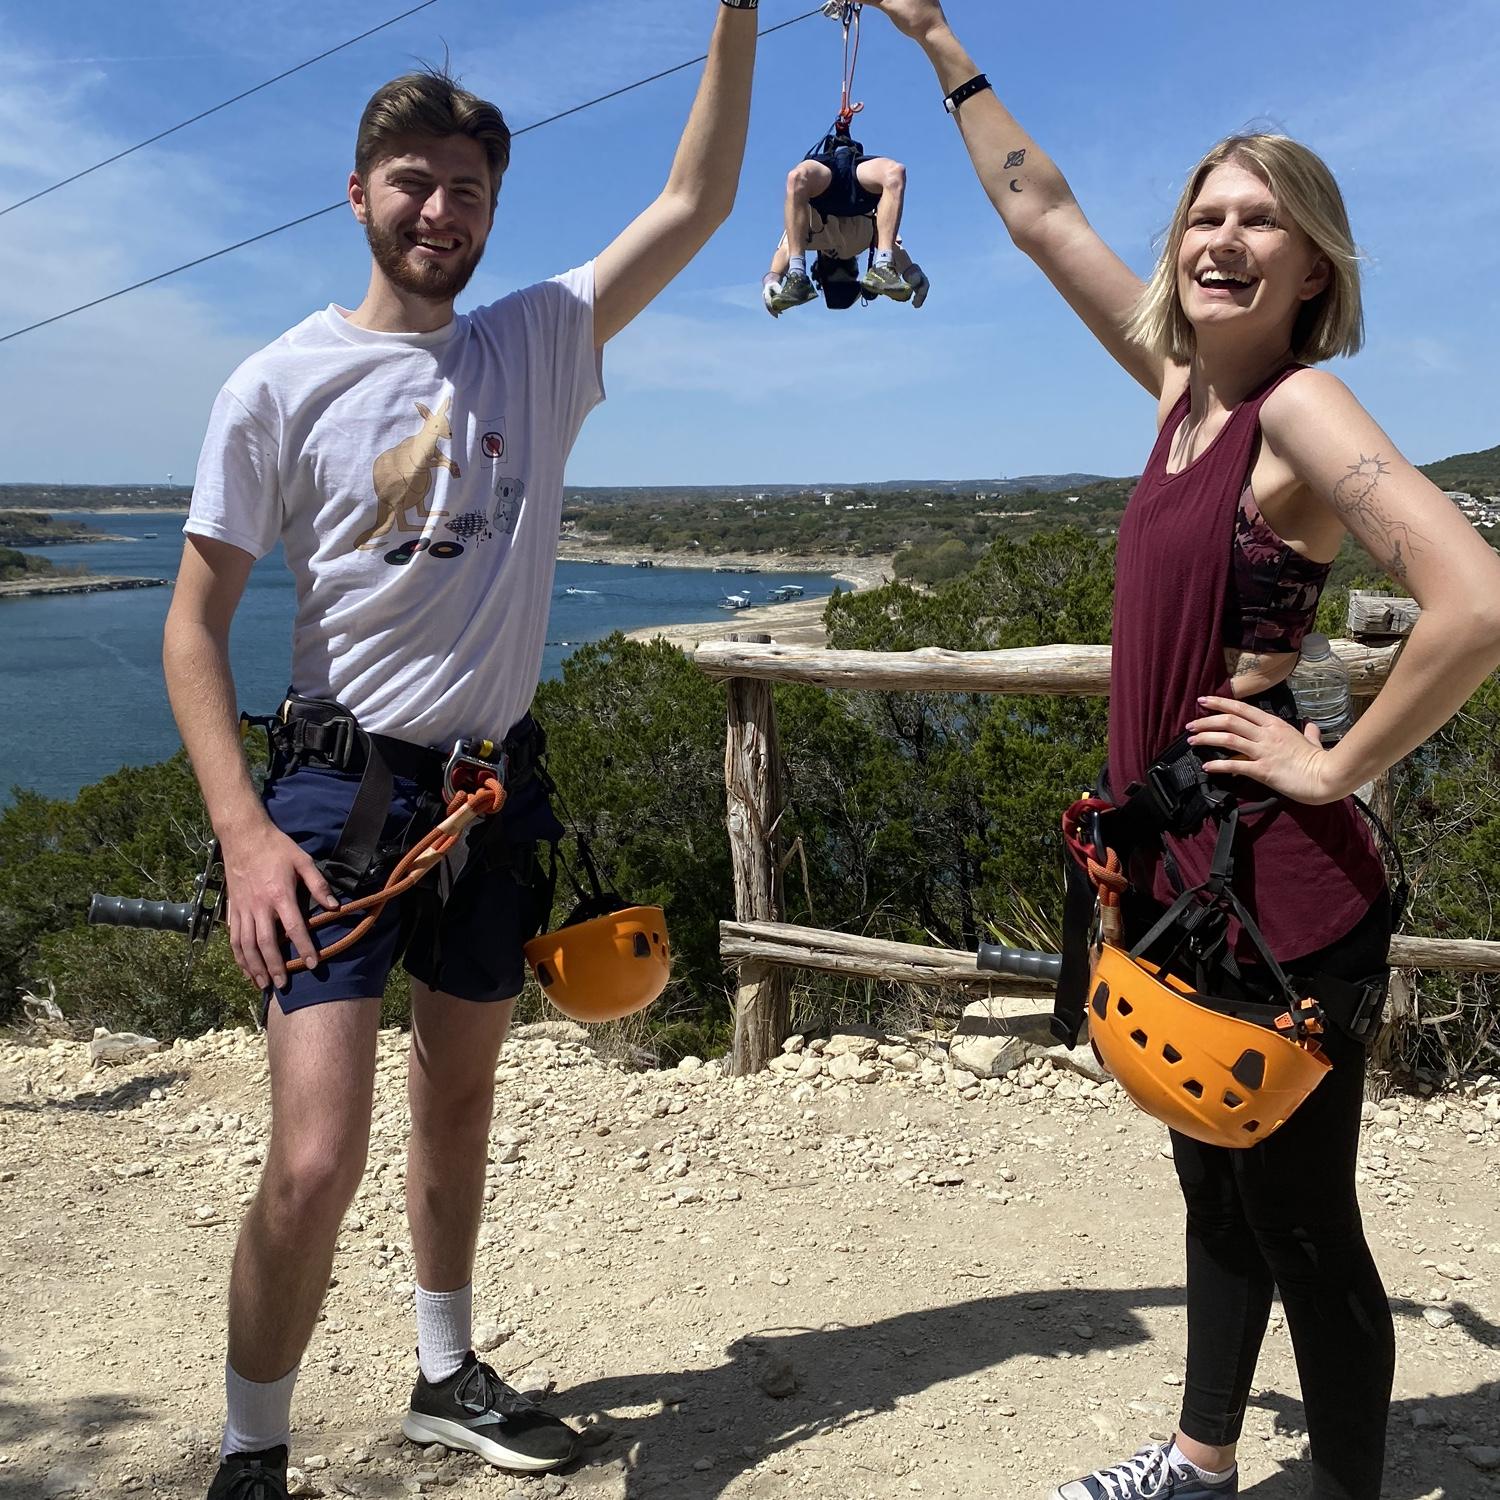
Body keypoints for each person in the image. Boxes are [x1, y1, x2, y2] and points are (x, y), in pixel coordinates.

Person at [865, 4, 1500, 1499]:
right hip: (1175, 871)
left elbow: (1474, 598)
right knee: (1209, 1175)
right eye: (1204, 214)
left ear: (1314, 265)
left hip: (1285, 890)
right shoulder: (1176, 395)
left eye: (1260, 219)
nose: (1222, 238)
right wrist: (934, 33)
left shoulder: (1300, 409)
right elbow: (1038, 211)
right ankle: (1202, 1463)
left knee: (1303, 1221)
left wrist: (1337, 766)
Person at [162, 5, 762, 1497]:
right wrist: (244, 833)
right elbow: (193, 629)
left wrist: (738, 16)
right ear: (356, 195)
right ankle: (252, 1451)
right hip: (333, 792)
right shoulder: (276, 384)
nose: (441, 211)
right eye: (413, 183)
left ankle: (444, 1369)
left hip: (492, 783)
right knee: (314, 1158)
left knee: (463, 1094)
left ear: (495, 209)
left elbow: (696, 200)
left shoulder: (537, 344)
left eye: (469, 189)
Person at [764, 128, 921, 312]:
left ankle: (797, 274)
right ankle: (882, 266)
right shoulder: (864, 240)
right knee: (895, 172)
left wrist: (772, 280)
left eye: (836, 276)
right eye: (846, 277)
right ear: (855, 274)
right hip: (858, 191)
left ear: (822, 272)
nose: (842, 270)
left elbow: (786, 250)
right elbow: (894, 247)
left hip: (824, 189)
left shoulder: (811, 239)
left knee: (796, 178)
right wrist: (912, 273)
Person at [761, 205, 930, 316]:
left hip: (842, 187)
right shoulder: (812, 237)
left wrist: (911, 272)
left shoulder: (865, 239)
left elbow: (787, 249)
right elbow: (787, 250)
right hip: (834, 185)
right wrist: (772, 280)